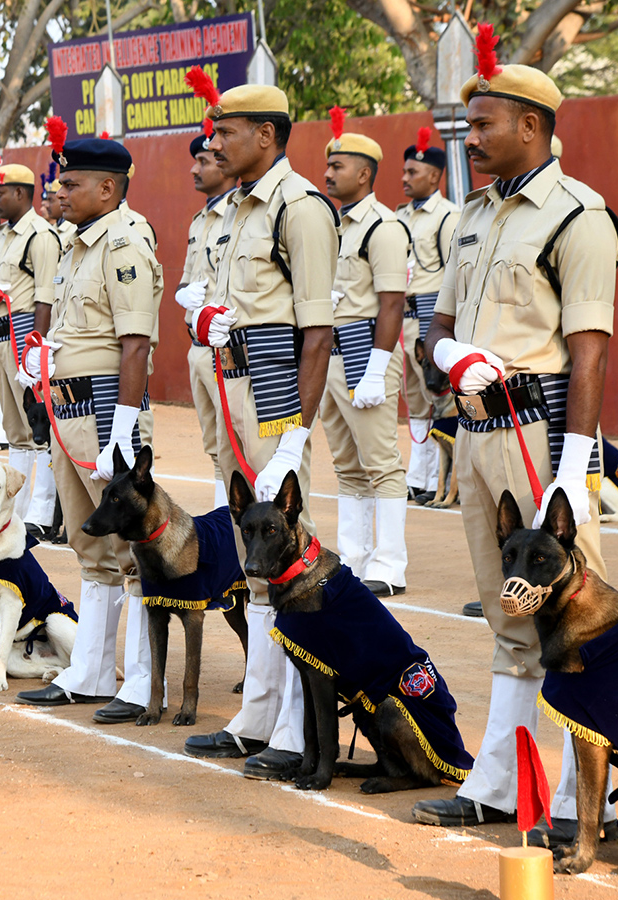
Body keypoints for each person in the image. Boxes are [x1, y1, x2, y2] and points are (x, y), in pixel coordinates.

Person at [415, 51, 618, 845]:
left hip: (539, 432)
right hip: (475, 430)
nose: (469, 137)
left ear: (532, 125)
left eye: (483, 124)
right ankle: (501, 783)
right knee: (509, 615)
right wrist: (446, 356)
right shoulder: (473, 213)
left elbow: (592, 347)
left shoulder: (579, 216)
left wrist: (574, 461)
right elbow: (439, 321)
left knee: (573, 616)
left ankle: (584, 796)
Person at [181, 85, 339, 780]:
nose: (214, 143)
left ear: (268, 137)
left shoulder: (299, 210)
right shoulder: (236, 210)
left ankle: (295, 722)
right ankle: (260, 708)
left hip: (274, 385)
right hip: (228, 380)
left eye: (228, 132)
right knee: (254, 556)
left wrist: (298, 437)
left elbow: (317, 331)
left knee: (284, 556)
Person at [14, 135, 163, 723]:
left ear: (107, 187)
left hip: (106, 408)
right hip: (69, 407)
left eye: (71, 183)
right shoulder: (77, 244)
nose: (60, 192)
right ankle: (94, 671)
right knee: (89, 543)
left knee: (134, 551)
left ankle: (143, 682)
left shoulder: (123, 240)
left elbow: (133, 343)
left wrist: (122, 427)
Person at [318, 112, 410, 597]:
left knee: (381, 462)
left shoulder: (383, 227)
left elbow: (393, 302)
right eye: (328, 165)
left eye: (339, 165)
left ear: (365, 174)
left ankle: (389, 562)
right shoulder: (335, 226)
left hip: (364, 350)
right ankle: (352, 557)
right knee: (347, 464)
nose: (328, 173)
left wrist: (376, 369)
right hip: (332, 353)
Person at [0, 161, 61, 539]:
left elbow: (45, 297)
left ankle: (43, 511)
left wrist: (37, 351)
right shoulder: (3, 236)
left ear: (19, 193)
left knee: (39, 428)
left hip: (23, 339)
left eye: (0, 193)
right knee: (15, 430)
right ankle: (17, 506)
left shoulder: (39, 235)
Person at [173, 132, 234, 506]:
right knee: (215, 446)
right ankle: (222, 520)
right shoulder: (200, 220)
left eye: (204, 161)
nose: (195, 169)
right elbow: (187, 280)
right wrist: (183, 295)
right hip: (197, 349)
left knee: (233, 445)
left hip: (224, 349)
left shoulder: (238, 214)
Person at [398, 130, 458, 504]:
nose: (404, 178)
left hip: (431, 308)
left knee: (438, 395)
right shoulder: (398, 216)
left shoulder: (448, 216)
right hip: (403, 314)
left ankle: (437, 475)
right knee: (414, 399)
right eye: (404, 171)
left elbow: (455, 269)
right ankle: (418, 475)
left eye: (413, 172)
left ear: (435, 176)